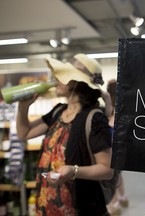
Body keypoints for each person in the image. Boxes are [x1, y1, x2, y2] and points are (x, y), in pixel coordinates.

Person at [16, 53, 114, 216]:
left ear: (76, 83)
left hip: (79, 207)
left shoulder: (94, 118)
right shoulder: (58, 111)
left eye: (62, 76)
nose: (56, 79)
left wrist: (73, 171)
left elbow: (106, 170)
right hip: (48, 203)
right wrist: (23, 108)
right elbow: (24, 133)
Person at [105, 79, 129, 215]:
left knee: (112, 176)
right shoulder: (120, 107)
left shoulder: (114, 108)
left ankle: (114, 202)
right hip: (118, 148)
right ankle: (122, 197)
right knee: (117, 174)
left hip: (113, 148)